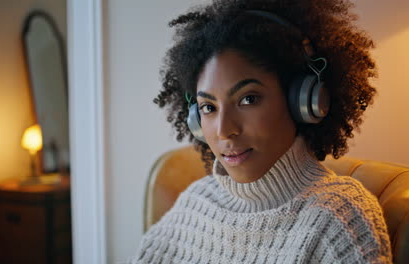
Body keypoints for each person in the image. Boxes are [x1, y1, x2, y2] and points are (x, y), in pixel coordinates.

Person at [130, 0, 392, 263]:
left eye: (248, 99)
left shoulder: (338, 219)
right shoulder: (196, 201)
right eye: (208, 107)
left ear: (302, 102)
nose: (224, 131)